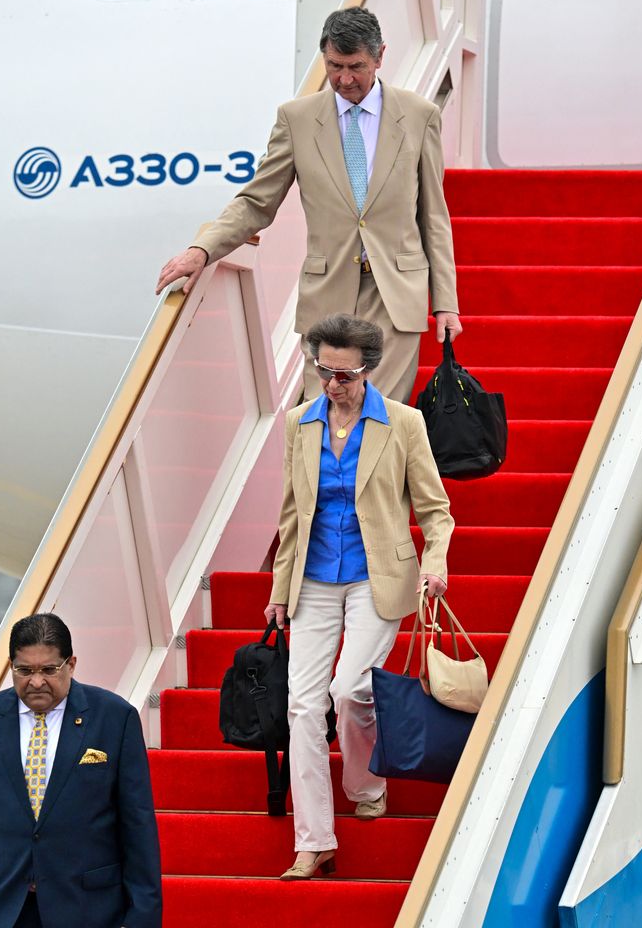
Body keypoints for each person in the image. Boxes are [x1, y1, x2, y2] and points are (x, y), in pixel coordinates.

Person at [156, 6, 462, 402]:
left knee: (380, 420)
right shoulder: (296, 119)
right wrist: (203, 249)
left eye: (357, 67)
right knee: (322, 418)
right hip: (327, 290)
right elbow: (256, 202)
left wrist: (446, 304)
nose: (345, 79)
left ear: (380, 56)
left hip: (396, 293)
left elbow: (433, 217)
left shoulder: (420, 116)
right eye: (335, 66)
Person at [264, 313, 454, 879]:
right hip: (314, 578)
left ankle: (365, 782)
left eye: (344, 375)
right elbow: (292, 513)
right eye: (325, 371)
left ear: (368, 370)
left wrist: (435, 564)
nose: (333, 384)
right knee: (302, 707)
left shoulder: (403, 422)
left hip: (378, 578)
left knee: (350, 690)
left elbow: (435, 511)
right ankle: (314, 838)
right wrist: (279, 588)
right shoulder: (299, 423)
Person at [0, 613, 162, 928]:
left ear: (71, 664)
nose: (36, 681)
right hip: (5, 907)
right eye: (24, 670)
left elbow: (137, 825)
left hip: (87, 908)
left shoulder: (114, 717)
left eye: (48, 669)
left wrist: (142, 917)